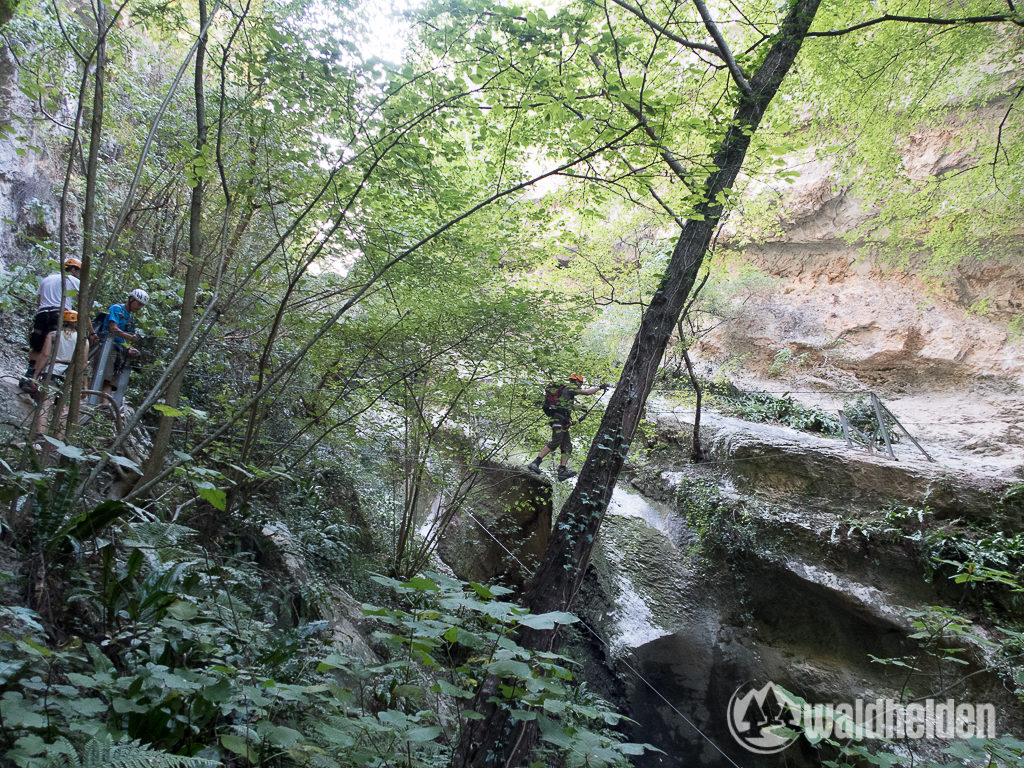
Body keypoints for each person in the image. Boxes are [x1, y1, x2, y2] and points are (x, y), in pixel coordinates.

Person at [527, 374, 608, 481]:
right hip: (558, 419)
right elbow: (587, 393)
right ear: (577, 382)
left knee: (567, 446)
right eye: (581, 383)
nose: (581, 386)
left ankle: (562, 470)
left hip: (562, 420)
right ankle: (535, 463)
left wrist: (580, 409)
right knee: (556, 441)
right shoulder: (570, 387)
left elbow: (568, 406)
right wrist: (600, 387)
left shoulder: (566, 393)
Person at [19, 258, 81, 395]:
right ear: (73, 269)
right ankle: (37, 382)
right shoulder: (72, 280)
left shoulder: (47, 279)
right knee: (50, 348)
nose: (79, 275)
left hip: (42, 314)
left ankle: (28, 376)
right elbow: (83, 301)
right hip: (59, 314)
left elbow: (39, 300)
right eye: (79, 271)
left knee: (37, 346)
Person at [34, 310, 89, 437]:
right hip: (71, 373)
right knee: (64, 408)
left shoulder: (53, 334)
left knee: (46, 402)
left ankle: (40, 435)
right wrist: (84, 385)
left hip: (52, 371)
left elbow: (45, 355)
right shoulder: (83, 340)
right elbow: (84, 363)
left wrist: (35, 375)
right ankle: (58, 440)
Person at [100, 288, 148, 396]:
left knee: (112, 378)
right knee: (105, 376)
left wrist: (128, 348)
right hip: (106, 345)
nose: (139, 307)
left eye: (142, 306)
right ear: (131, 299)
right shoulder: (117, 309)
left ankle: (105, 406)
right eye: (138, 304)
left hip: (119, 349)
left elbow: (124, 338)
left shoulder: (130, 318)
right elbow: (113, 328)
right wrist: (129, 337)